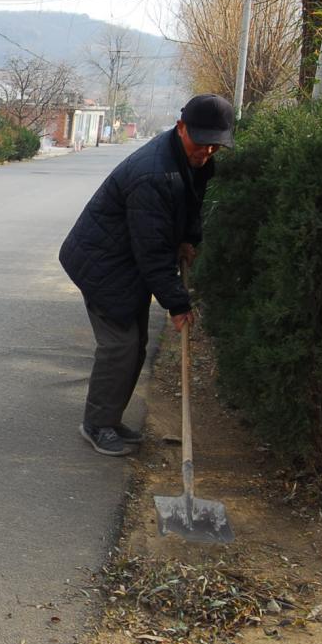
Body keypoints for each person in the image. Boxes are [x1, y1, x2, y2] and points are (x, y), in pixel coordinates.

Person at [59, 94, 235, 457]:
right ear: (181, 127)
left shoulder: (194, 161)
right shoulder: (153, 173)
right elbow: (152, 250)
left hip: (126, 261)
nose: (207, 152)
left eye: (215, 145)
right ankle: (96, 424)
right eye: (201, 142)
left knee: (135, 344)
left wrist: (188, 238)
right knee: (121, 346)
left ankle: (109, 419)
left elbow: (191, 204)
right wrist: (177, 304)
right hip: (104, 263)